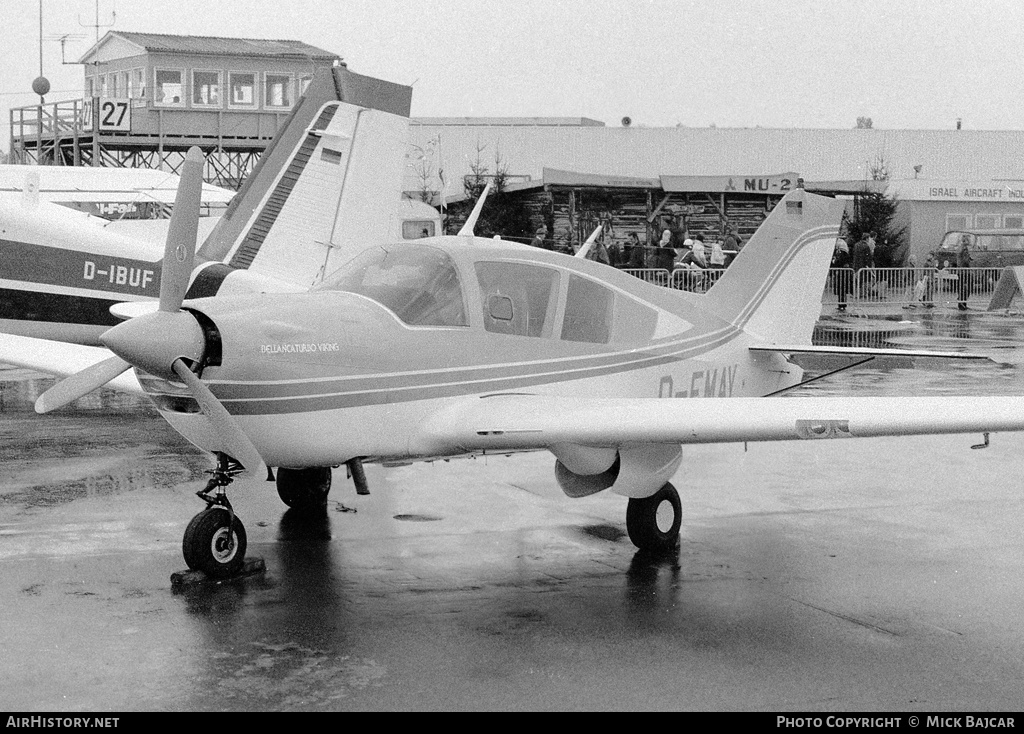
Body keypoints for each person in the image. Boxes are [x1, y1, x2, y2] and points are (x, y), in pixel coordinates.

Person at [831, 236, 852, 312]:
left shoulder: (841, 251)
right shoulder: (843, 249)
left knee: (841, 288)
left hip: (841, 272)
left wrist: (834, 265)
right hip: (842, 272)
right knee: (841, 289)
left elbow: (838, 261)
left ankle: (842, 304)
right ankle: (841, 304)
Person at [852, 232, 873, 298]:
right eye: (868, 238)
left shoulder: (856, 245)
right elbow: (868, 257)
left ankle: (856, 293)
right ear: (866, 238)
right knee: (865, 280)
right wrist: (869, 266)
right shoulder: (866, 246)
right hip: (864, 266)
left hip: (856, 265)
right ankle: (863, 294)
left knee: (857, 280)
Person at [956, 235, 972, 310]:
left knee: (962, 287)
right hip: (964, 271)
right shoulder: (964, 249)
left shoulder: (961, 248)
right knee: (966, 287)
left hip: (961, 270)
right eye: (968, 240)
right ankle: (962, 302)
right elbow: (965, 260)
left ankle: (962, 302)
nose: (969, 241)